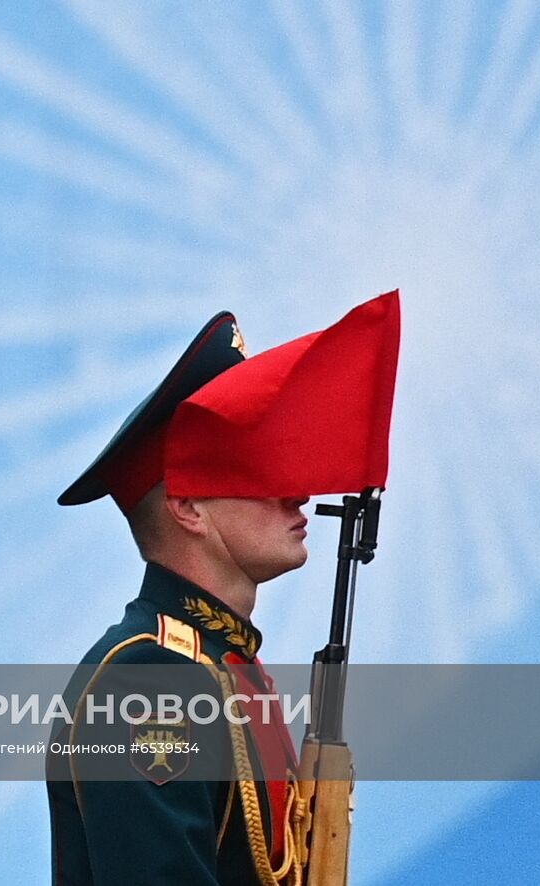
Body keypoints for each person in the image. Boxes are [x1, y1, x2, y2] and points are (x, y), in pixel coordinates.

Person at [46, 291, 401, 886]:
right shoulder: (151, 678)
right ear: (187, 507)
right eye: (258, 470)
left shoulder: (224, 667)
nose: (298, 491)